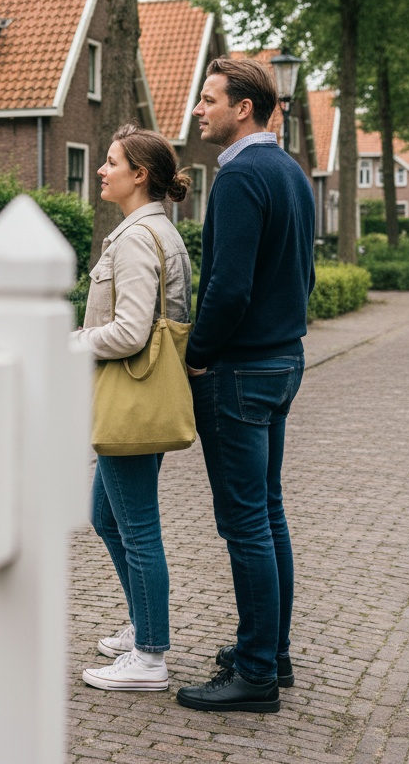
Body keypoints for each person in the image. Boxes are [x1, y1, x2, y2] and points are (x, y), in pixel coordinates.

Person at [176, 57, 315, 714]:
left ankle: (256, 671)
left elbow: (228, 287)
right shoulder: (290, 173)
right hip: (284, 361)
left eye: (209, 100)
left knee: (245, 523)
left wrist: (198, 355)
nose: (199, 110)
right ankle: (272, 653)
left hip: (240, 371)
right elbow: (303, 275)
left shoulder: (238, 178)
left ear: (244, 109)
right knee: (270, 511)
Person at [75, 123, 192, 693]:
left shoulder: (137, 239)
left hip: (130, 396)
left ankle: (149, 657)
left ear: (139, 175)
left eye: (111, 161)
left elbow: (128, 331)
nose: (102, 169)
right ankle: (144, 624)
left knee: (138, 528)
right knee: (106, 517)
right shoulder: (157, 232)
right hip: (140, 395)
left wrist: (69, 341)